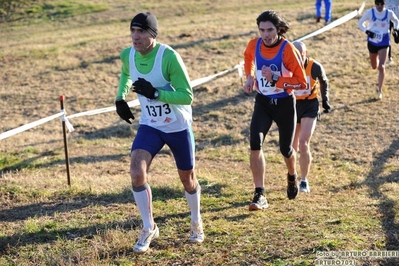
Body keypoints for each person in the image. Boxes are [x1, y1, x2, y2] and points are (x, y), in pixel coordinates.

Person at [115, 11, 204, 253]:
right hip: (151, 125)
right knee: (136, 171)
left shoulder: (169, 57)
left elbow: (187, 96)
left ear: (152, 35)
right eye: (133, 31)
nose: (135, 36)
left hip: (177, 126)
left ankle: (196, 222)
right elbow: (125, 73)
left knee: (188, 179)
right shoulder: (128, 54)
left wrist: (155, 93)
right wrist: (120, 98)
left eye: (141, 32)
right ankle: (148, 226)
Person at [243, 10, 307, 210]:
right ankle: (259, 193)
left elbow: (301, 82)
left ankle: (292, 175)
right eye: (262, 30)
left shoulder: (287, 49)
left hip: (285, 104)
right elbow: (248, 59)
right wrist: (249, 77)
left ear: (278, 29)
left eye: (270, 30)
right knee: (255, 142)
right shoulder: (255, 44)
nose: (266, 34)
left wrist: (277, 80)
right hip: (263, 102)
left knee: (285, 149)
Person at [292, 41, 331, 194]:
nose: (297, 59)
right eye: (294, 55)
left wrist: (325, 100)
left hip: (310, 105)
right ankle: (292, 177)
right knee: (291, 147)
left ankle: (304, 180)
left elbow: (324, 81)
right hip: (294, 105)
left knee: (303, 142)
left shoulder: (315, 66)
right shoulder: (287, 66)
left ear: (306, 54)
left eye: (300, 55)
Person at [358, 0, 399, 100]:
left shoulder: (389, 13)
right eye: (378, 4)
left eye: (382, 4)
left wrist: (396, 30)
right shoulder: (370, 12)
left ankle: (379, 90)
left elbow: (396, 21)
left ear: (384, 4)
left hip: (384, 42)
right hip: (372, 42)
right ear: (375, 4)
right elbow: (360, 23)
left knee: (381, 66)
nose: (379, 6)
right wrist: (367, 31)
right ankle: (376, 62)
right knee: (374, 66)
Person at [386, 0, 399, 65]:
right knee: (387, 39)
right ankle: (389, 58)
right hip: (387, 20)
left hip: (396, 19)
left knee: (397, 40)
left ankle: (395, 35)